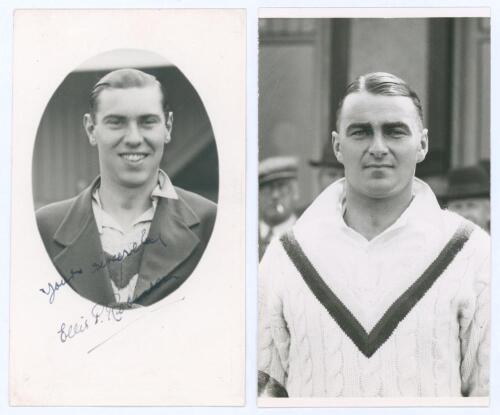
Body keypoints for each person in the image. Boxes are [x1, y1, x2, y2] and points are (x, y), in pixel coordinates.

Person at [258, 72, 489, 397]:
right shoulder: (286, 257)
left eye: (395, 132)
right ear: (338, 146)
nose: (378, 148)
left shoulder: (473, 253)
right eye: (361, 132)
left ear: (421, 143)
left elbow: (488, 393)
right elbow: (264, 393)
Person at [36, 68, 217, 308]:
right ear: (91, 129)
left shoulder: (210, 222)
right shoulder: (46, 227)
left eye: (147, 122)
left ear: (168, 127)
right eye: (116, 122)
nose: (133, 138)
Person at [259, 156, 299, 260]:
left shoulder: (306, 235)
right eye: (266, 188)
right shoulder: (243, 237)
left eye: (281, 187)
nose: (275, 195)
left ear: (295, 192)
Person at [445, 164, 490, 232]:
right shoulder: (438, 242)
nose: (464, 214)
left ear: (488, 211)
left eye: (471, 205)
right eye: (457, 206)